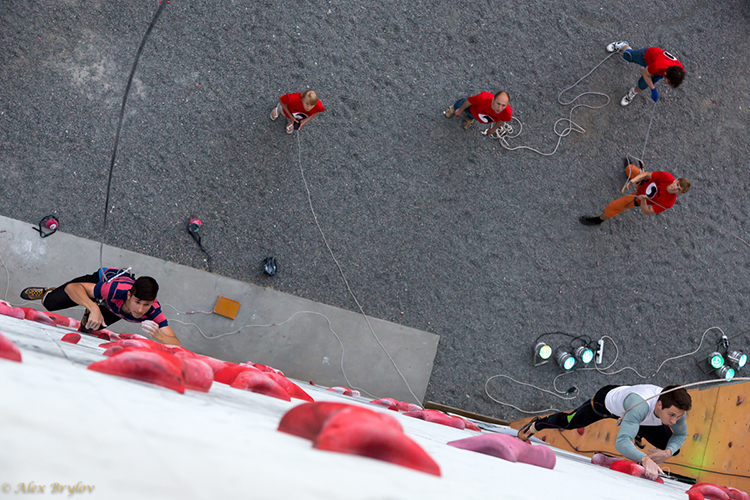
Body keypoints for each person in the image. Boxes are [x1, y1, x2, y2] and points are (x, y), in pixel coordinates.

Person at [517, 384, 691, 480]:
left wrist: (667, 452)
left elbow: (680, 435)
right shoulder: (641, 405)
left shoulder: (674, 410)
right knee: (569, 422)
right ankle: (537, 425)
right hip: (605, 404)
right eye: (672, 415)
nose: (675, 421)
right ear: (659, 404)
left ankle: (637, 431)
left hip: (640, 418)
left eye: (679, 416)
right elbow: (621, 442)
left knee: (672, 447)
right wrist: (644, 459)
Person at [20, 268, 182, 346]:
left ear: (152, 302)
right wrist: (94, 307)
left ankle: (91, 311)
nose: (140, 310)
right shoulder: (115, 290)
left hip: (115, 309)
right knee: (50, 303)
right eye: (137, 302)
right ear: (129, 296)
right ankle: (49, 292)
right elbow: (73, 288)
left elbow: (176, 344)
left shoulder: (154, 311)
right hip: (98, 284)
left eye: (146, 304)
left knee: (86, 329)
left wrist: (160, 337)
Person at [579, 159, 690, 226]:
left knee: (614, 206)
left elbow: (646, 211)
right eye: (677, 184)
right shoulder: (667, 176)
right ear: (675, 180)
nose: (675, 188)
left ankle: (599, 220)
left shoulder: (668, 202)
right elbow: (646, 174)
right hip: (643, 181)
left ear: (679, 193)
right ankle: (629, 169)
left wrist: (643, 201)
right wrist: (632, 181)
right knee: (630, 169)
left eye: (678, 189)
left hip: (639, 198)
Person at [606, 41, 685, 106]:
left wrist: (655, 80)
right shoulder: (658, 65)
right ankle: (623, 45)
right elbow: (645, 73)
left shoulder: (679, 71)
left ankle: (633, 93)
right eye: (669, 82)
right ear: (666, 73)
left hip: (659, 70)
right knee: (628, 56)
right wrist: (653, 89)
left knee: (643, 84)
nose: (669, 85)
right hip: (647, 56)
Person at [444, 91, 512, 137]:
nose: (499, 108)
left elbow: (502, 121)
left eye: (503, 105)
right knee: (459, 104)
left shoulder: (507, 113)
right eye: (498, 103)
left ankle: (470, 118)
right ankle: (454, 108)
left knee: (472, 116)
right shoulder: (483, 98)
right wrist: (460, 110)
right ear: (493, 100)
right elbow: (468, 102)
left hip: (477, 115)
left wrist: (493, 129)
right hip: (471, 108)